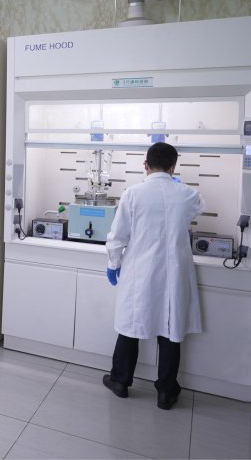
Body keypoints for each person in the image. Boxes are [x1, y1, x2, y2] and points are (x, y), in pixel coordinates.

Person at [102, 142, 204, 410]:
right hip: (174, 276)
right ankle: (166, 392)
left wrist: (113, 264)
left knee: (130, 327)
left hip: (141, 273)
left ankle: (120, 381)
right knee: (170, 329)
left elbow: (117, 237)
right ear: (174, 167)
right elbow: (198, 206)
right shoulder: (188, 194)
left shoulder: (132, 194)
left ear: (145, 165)